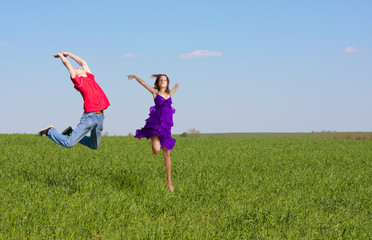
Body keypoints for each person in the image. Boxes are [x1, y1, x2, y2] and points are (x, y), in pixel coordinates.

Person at [38, 52, 110, 150]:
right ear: (76, 75)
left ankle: (71, 132)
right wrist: (61, 56)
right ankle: (50, 131)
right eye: (76, 69)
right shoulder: (79, 82)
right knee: (69, 143)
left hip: (100, 117)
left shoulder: (90, 77)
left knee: (94, 146)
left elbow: (83, 62)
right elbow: (68, 64)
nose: (79, 68)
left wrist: (69, 54)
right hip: (90, 117)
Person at [128, 74, 179, 192]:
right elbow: (143, 83)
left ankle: (169, 180)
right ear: (158, 82)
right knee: (156, 150)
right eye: (160, 79)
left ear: (167, 82)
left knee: (167, 154)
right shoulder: (155, 92)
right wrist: (135, 76)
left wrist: (176, 87)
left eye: (165, 79)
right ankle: (157, 144)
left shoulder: (169, 93)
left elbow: (174, 90)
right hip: (156, 125)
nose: (163, 81)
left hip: (166, 127)